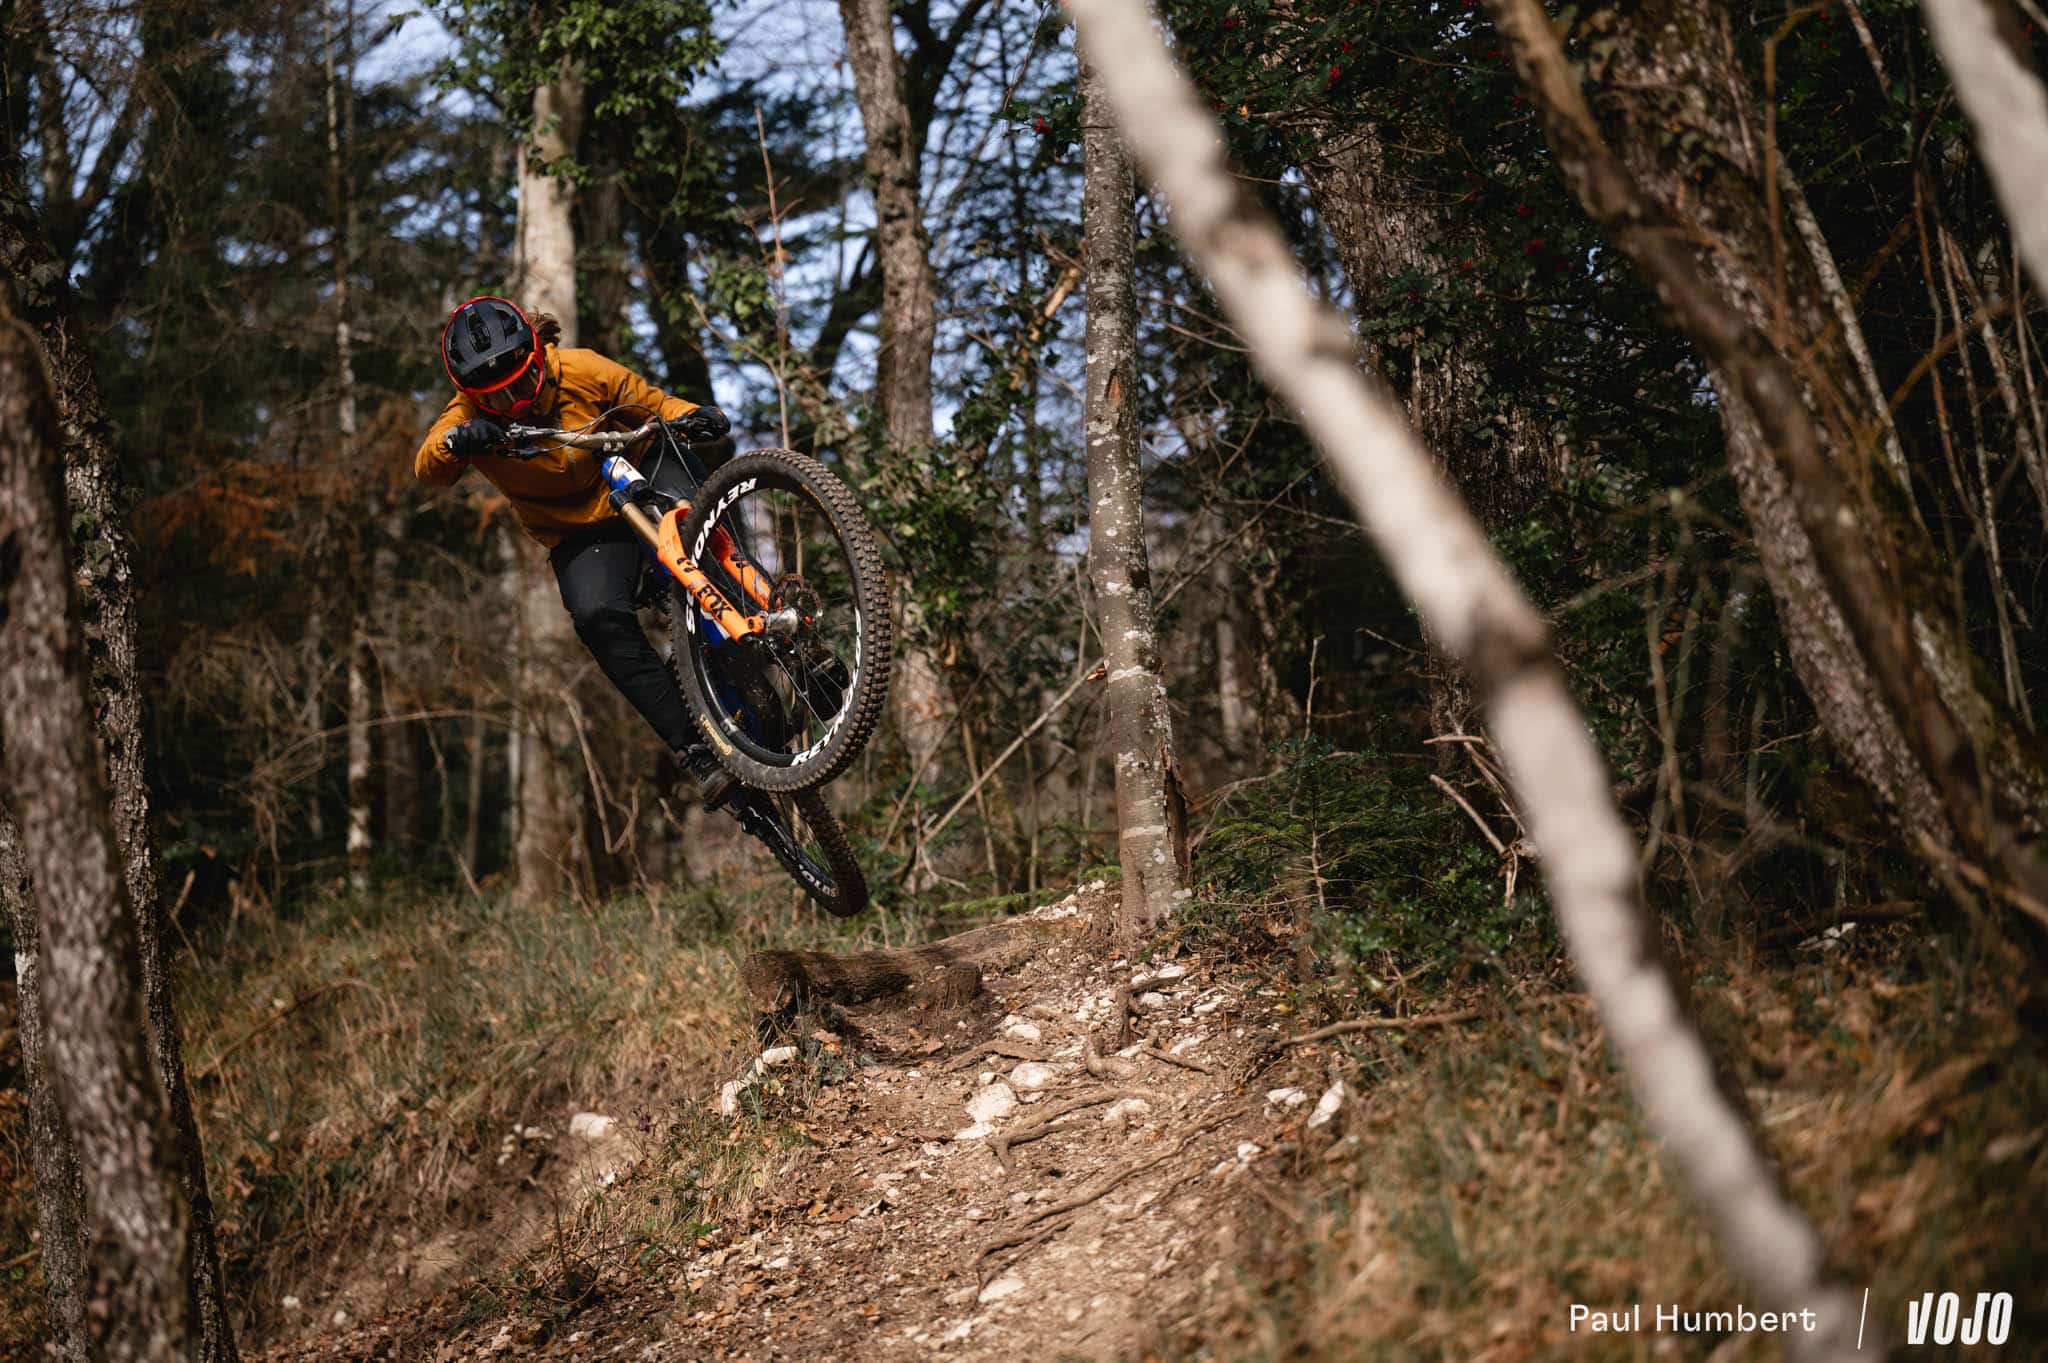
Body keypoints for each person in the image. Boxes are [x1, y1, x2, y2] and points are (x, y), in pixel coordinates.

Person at [415, 295, 738, 808]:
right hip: (578, 529)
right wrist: (458, 440)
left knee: (695, 513)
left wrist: (696, 416)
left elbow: (652, 403)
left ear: (537, 356)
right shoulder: (467, 416)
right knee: (596, 616)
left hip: (638, 468)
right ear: (473, 397)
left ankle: (768, 621)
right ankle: (695, 748)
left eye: (522, 382)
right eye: (496, 399)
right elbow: (428, 466)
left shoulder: (582, 369)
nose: (515, 402)